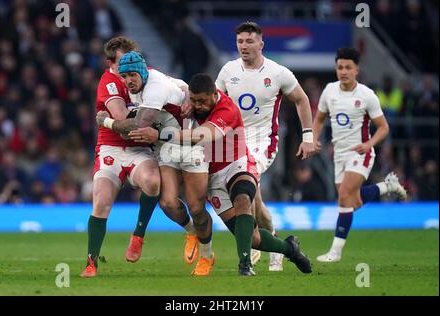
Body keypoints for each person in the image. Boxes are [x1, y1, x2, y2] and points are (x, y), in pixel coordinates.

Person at [130, 73, 312, 276]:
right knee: (251, 238)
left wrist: (160, 135)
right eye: (194, 100)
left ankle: (245, 265)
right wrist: (185, 95)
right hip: (212, 176)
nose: (198, 105)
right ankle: (290, 249)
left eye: (202, 101)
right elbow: (169, 84)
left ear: (215, 95)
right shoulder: (191, 102)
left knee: (243, 199)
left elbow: (204, 135)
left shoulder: (226, 109)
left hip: (237, 163)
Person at [96, 51, 213, 276]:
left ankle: (207, 255)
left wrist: (106, 121)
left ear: (141, 73)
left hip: (189, 143)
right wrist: (187, 93)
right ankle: (191, 233)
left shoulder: (154, 88)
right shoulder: (145, 80)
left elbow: (137, 126)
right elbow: (177, 83)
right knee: (168, 203)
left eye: (132, 75)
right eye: (124, 76)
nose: (128, 80)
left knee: (197, 207)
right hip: (165, 147)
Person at [214, 21, 315, 271]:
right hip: (231, 145)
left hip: (262, 144)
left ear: (261, 44)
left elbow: (302, 100)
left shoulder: (278, 73)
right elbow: (214, 102)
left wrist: (308, 136)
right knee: (255, 203)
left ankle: (251, 254)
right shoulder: (228, 70)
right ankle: (275, 244)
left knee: (245, 195)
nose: (244, 46)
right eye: (240, 42)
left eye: (249, 41)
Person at [312, 47, 407, 263]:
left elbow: (383, 127)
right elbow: (318, 119)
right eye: (339, 67)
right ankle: (387, 186)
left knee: (344, 196)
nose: (343, 71)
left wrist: (369, 143)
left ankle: (335, 252)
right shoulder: (329, 91)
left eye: (348, 67)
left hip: (360, 153)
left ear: (357, 70)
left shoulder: (366, 95)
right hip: (339, 155)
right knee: (351, 202)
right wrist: (313, 139)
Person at [80, 37, 161, 278]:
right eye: (123, 62)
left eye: (132, 60)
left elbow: (176, 89)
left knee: (153, 182)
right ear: (110, 63)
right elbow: (122, 118)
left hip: (140, 148)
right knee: (102, 203)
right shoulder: (109, 82)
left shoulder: (150, 75)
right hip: (111, 148)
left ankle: (138, 235)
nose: (129, 67)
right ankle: (91, 262)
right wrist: (150, 114)